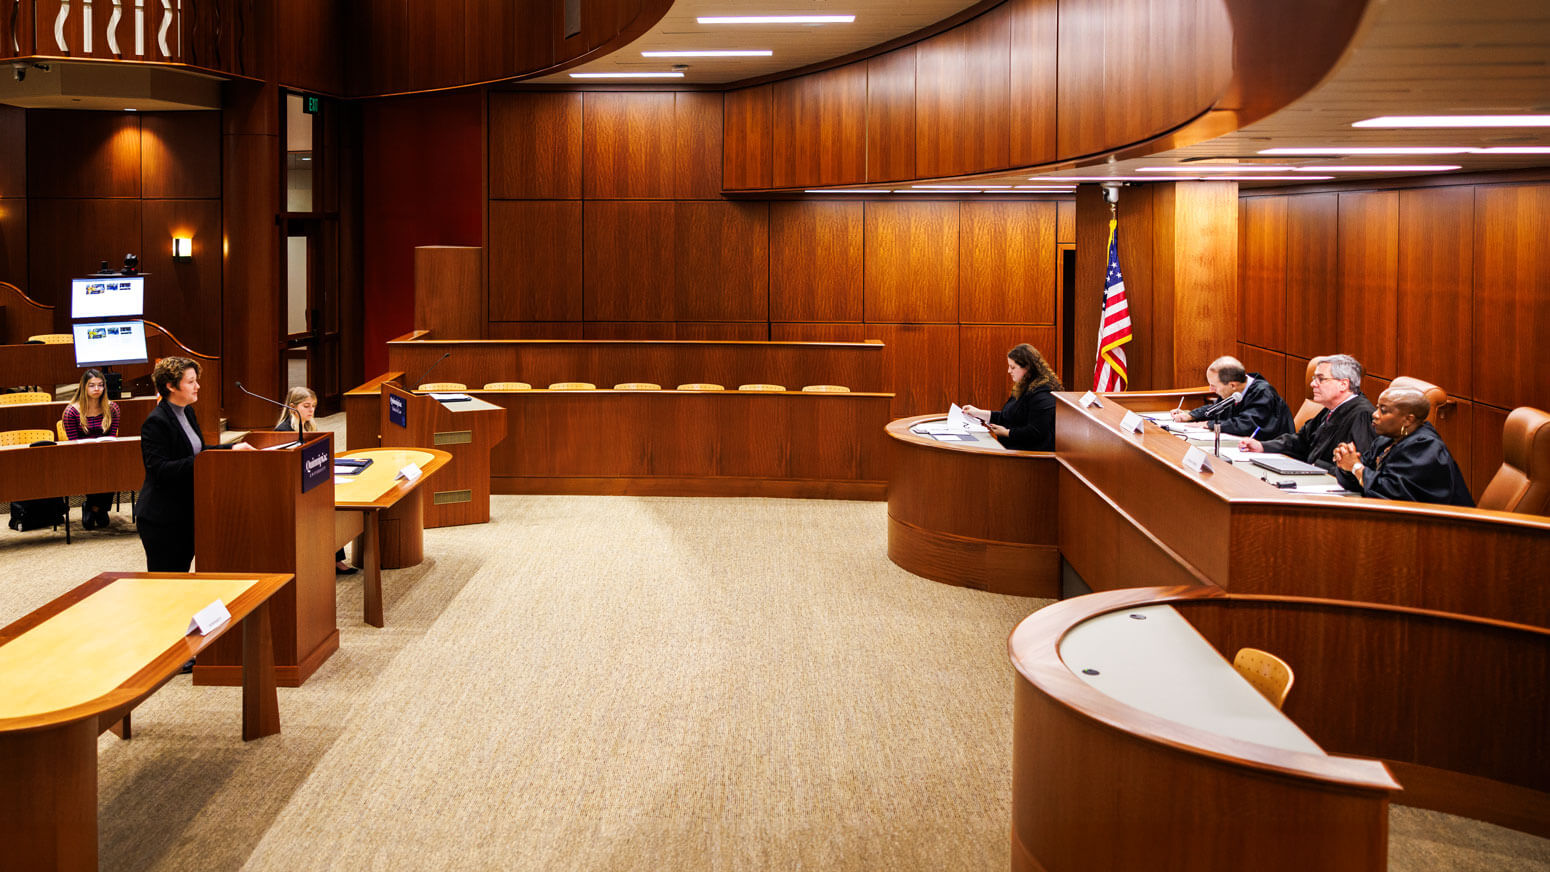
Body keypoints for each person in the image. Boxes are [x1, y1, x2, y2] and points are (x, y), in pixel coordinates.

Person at [136, 356, 253, 572]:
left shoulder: (187, 411)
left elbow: (198, 452)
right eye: (191, 382)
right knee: (167, 583)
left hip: (186, 512)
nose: (197, 386)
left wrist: (231, 448)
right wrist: (205, 461)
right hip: (162, 518)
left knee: (184, 578)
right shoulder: (156, 422)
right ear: (171, 386)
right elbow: (160, 469)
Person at [1332, 386, 1473, 506]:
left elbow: (1395, 495)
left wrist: (1356, 468)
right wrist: (1345, 463)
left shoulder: (1426, 447)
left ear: (1408, 419)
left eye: (1384, 410)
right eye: (1377, 408)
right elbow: (1363, 480)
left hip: (1440, 528)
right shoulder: (1386, 440)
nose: (1374, 415)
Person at [1238, 354, 1375, 472]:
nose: (1313, 384)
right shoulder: (1331, 409)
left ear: (1343, 384)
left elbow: (1359, 466)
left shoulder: (1362, 414)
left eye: (1320, 379)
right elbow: (1301, 441)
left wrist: (1317, 466)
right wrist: (1262, 446)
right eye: (1314, 379)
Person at [275, 386, 357, 575]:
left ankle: (333, 559)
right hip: (294, 489)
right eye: (306, 406)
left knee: (329, 505)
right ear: (292, 407)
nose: (311, 410)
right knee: (324, 509)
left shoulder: (308, 426)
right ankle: (328, 561)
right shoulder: (284, 431)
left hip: (310, 483)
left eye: (313, 406)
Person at [963, 343, 1063, 451]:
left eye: (1012, 367)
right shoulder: (1024, 387)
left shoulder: (1043, 395)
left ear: (1028, 367)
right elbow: (1008, 416)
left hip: (1030, 455)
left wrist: (1007, 433)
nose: (1009, 371)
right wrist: (978, 412)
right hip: (1014, 449)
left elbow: (1036, 432)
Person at [1169, 355, 1294, 439]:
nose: (1210, 390)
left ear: (1232, 385)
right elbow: (1217, 408)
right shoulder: (1233, 390)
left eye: (1214, 385)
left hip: (1273, 455)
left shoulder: (1264, 394)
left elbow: (1246, 425)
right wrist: (1191, 415)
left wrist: (1209, 424)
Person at [60, 368, 122, 529]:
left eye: (100, 385)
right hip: (81, 457)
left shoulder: (112, 408)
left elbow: (113, 437)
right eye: (92, 385)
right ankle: (98, 508)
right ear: (84, 387)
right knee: (95, 468)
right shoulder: (71, 411)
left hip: (105, 455)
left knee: (116, 468)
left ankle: (94, 507)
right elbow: (73, 443)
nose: (97, 389)